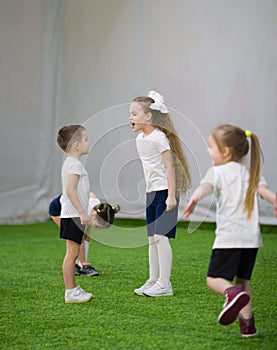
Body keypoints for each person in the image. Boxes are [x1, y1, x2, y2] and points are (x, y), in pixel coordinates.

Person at [184, 124, 277, 337]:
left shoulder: (217, 171)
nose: (208, 151)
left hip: (229, 237)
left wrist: (194, 198)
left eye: (211, 147)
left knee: (213, 279)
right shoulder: (250, 171)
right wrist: (274, 200)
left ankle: (231, 294)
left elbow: (205, 187)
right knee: (243, 281)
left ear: (225, 152)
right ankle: (248, 326)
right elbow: (263, 191)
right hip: (251, 239)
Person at [129, 90, 191, 297]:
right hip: (152, 193)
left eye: (134, 113)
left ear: (149, 116)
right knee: (151, 239)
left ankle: (165, 284)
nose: (130, 117)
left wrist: (171, 195)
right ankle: (153, 279)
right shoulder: (140, 138)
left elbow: (170, 168)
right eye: (130, 113)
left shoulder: (159, 138)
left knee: (160, 237)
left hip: (165, 192)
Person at [49, 192, 119, 276]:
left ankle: (81, 265)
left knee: (86, 236)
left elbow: (91, 194)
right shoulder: (83, 212)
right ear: (93, 215)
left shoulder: (98, 207)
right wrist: (83, 262)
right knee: (75, 239)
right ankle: (78, 265)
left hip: (76, 210)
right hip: (58, 211)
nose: (98, 229)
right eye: (97, 226)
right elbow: (80, 239)